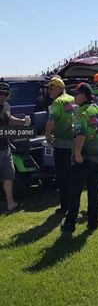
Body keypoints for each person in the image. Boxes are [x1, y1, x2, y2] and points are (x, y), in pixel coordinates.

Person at [61, 83, 98, 233]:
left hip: (84, 158)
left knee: (75, 193)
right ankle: (93, 222)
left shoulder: (82, 112)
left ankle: (70, 223)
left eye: (76, 94)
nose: (74, 97)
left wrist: (77, 154)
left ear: (83, 95)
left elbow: (80, 134)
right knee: (94, 192)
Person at [44, 77, 75, 215]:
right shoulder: (72, 99)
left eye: (50, 88)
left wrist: (47, 135)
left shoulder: (57, 102)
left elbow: (51, 121)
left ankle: (64, 207)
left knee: (62, 177)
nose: (49, 91)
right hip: (73, 143)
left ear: (57, 88)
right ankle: (72, 203)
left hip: (61, 143)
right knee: (71, 176)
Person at [0, 82, 30, 213]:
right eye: (3, 93)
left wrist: (23, 122)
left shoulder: (6, 105)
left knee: (8, 176)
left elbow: (9, 119)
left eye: (7, 94)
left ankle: (11, 203)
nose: (5, 96)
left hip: (5, 147)